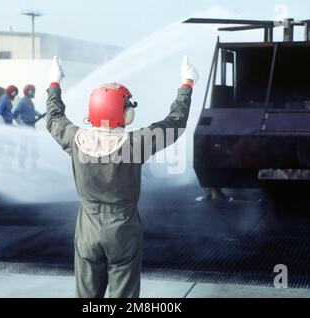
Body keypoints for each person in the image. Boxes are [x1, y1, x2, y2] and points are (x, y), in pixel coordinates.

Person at [46, 56, 199, 298]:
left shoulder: (75, 139)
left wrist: (54, 83)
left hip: (87, 228)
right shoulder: (135, 143)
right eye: (127, 107)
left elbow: (54, 118)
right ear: (120, 112)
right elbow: (175, 122)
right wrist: (187, 84)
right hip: (124, 230)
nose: (130, 111)